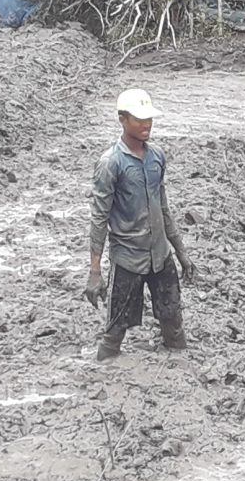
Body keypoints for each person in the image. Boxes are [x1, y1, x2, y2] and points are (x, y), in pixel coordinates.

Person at [83, 88, 196, 360]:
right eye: (139, 119)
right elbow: (99, 217)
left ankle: (178, 369)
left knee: (173, 322)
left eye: (149, 119)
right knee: (115, 330)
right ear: (123, 119)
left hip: (160, 255)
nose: (146, 125)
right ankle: (106, 370)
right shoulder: (111, 164)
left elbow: (164, 208)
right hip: (128, 260)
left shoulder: (156, 157)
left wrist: (181, 253)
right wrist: (95, 270)